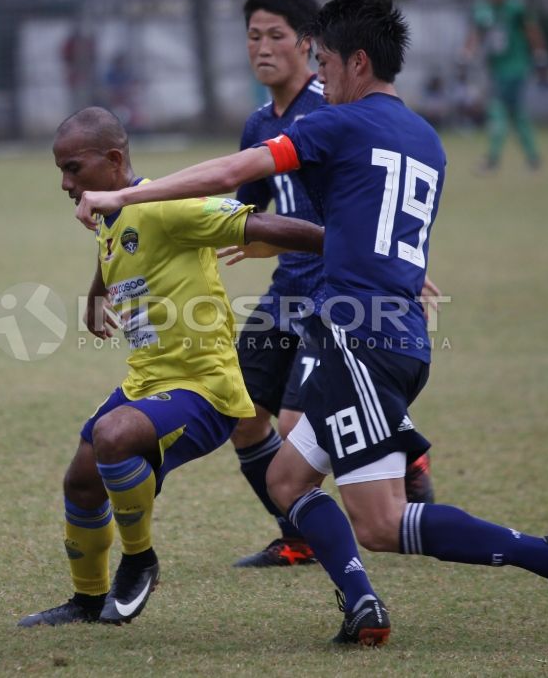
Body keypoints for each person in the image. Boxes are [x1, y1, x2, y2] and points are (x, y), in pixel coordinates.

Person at [76, 0, 548, 646]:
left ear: (358, 63)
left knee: (382, 523)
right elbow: (368, 228)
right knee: (287, 479)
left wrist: (126, 193)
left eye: (324, 61)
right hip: (385, 333)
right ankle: (362, 603)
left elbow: (234, 168)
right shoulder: (426, 139)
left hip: (357, 340)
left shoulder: (339, 123)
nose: (318, 73)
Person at [17, 107, 325, 627]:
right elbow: (115, 241)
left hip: (206, 390)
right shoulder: (112, 211)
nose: (66, 183)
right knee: (81, 481)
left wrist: (353, 247)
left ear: (114, 160)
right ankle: (87, 601)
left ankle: (140, 559)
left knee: (114, 436)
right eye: (61, 172)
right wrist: (96, 293)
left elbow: (259, 223)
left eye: (73, 168)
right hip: (149, 380)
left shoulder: (168, 207)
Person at [229, 0, 435, 570]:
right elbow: (251, 211)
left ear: (307, 43)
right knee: (242, 412)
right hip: (288, 288)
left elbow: (386, 202)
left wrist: (409, 271)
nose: (262, 48)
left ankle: (397, 444)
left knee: (300, 426)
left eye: (276, 35)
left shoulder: (340, 109)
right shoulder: (257, 125)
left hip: (337, 295)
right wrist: (244, 236)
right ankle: (297, 533)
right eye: (252, 36)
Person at [463, 0, 548, 172]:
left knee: (497, 111)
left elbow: (532, 31)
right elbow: (475, 34)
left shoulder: (516, 7)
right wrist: (465, 56)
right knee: (517, 114)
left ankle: (493, 159)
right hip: (496, 69)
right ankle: (533, 158)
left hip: (516, 67)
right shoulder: (483, 8)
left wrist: (541, 57)